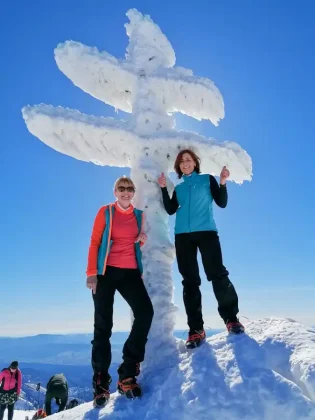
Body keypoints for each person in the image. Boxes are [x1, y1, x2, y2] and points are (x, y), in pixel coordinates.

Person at [158, 149, 244, 348]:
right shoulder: (179, 188)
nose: (185, 163)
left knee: (217, 274)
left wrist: (222, 181)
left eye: (188, 160)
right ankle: (196, 330)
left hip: (206, 232)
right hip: (182, 236)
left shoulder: (207, 179)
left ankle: (231, 319)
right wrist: (163, 188)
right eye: (181, 162)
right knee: (190, 281)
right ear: (178, 167)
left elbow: (221, 203)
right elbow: (171, 209)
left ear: (195, 162)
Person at [86, 176, 154, 406]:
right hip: (105, 273)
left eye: (129, 189)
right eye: (121, 188)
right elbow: (95, 242)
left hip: (130, 273)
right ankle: (101, 382)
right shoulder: (105, 212)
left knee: (145, 313)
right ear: (115, 191)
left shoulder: (138, 215)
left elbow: (134, 241)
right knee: (103, 325)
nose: (126, 192)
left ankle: (127, 372)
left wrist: (141, 240)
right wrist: (91, 273)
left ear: (133, 192)